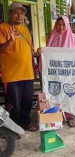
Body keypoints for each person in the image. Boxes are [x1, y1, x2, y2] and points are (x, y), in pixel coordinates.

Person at [38, 16, 75, 127]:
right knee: (55, 93)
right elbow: (47, 53)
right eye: (58, 24)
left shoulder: (72, 37)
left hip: (68, 73)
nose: (61, 27)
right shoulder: (52, 37)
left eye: (63, 24)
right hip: (54, 73)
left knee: (68, 94)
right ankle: (55, 116)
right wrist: (41, 52)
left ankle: (69, 116)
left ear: (67, 25)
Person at [0, 3, 37, 131]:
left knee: (27, 101)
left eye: (21, 13)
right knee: (13, 103)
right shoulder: (2, 28)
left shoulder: (25, 29)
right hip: (12, 74)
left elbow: (30, 50)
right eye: (16, 12)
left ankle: (25, 123)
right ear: (10, 13)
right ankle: (13, 128)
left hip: (28, 72)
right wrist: (10, 42)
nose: (19, 15)